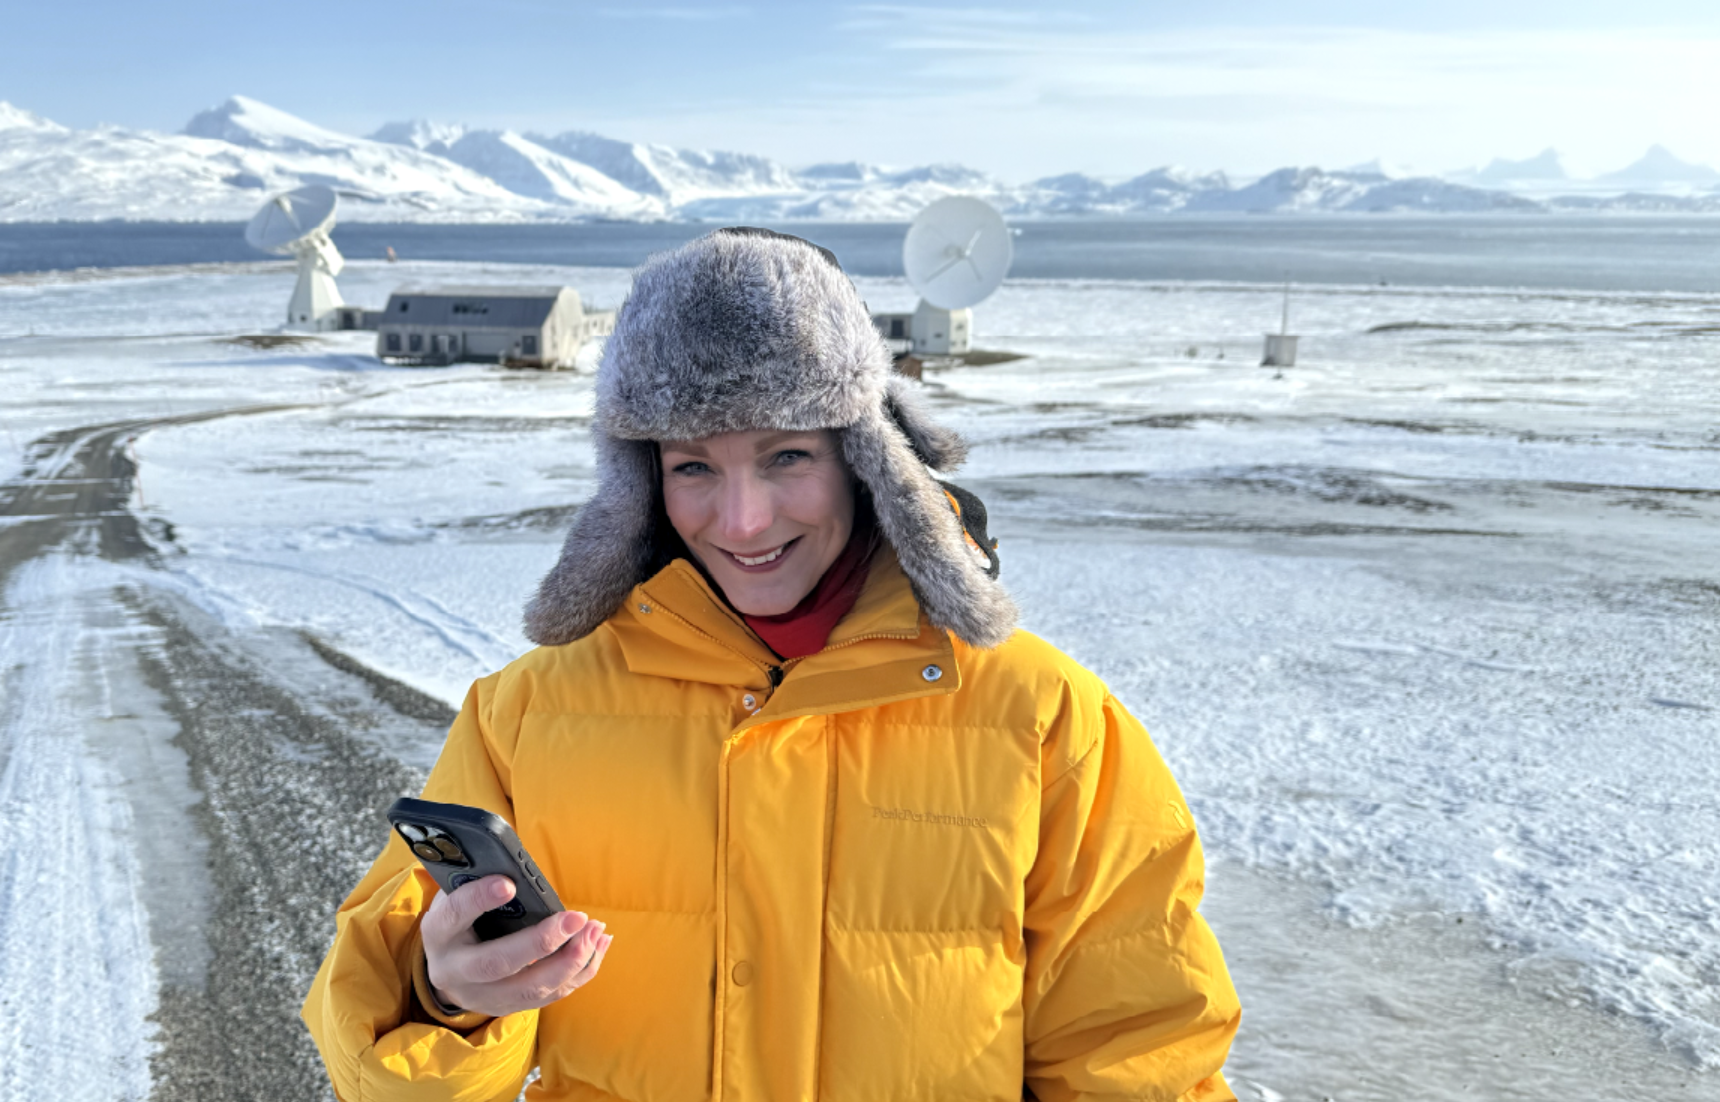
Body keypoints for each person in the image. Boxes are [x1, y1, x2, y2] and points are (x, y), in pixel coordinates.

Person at [302, 228, 1240, 1102]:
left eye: (787, 455)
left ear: (866, 460)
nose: (743, 521)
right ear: (640, 482)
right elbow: (376, 1043)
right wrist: (450, 1001)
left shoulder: (1043, 717)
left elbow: (1140, 1052)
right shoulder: (524, 714)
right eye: (693, 467)